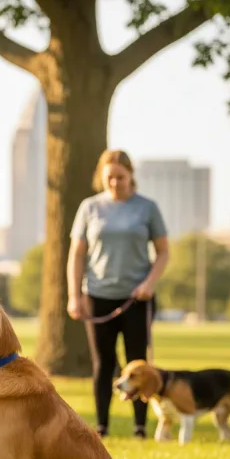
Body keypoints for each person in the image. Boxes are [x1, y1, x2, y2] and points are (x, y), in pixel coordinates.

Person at [67, 149, 169, 439]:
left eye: (120, 177)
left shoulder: (147, 208)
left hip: (137, 298)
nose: (115, 183)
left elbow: (163, 252)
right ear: (101, 176)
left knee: (138, 362)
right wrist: (74, 295)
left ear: (131, 175)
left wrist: (149, 282)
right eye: (109, 177)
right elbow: (76, 254)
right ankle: (102, 427)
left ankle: (139, 427)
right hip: (98, 295)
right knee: (103, 363)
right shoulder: (89, 208)